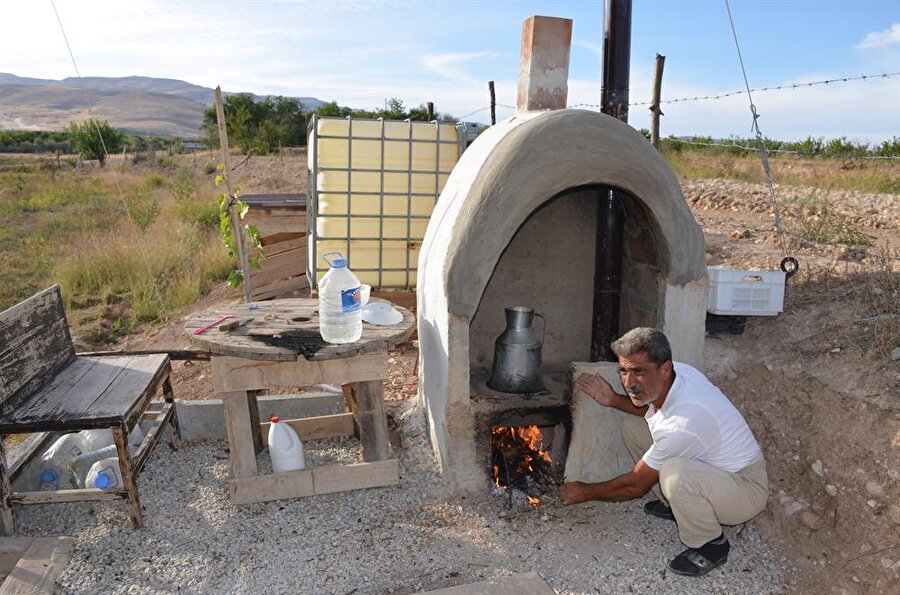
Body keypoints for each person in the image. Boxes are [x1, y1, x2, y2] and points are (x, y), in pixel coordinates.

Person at [558, 327, 768, 577]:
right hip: (714, 473)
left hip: (744, 489)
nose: (628, 383)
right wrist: (613, 399)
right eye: (623, 371)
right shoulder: (679, 375)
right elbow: (656, 415)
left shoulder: (684, 422)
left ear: (665, 368)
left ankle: (711, 545)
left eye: (638, 372)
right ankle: (678, 505)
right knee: (634, 427)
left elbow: (634, 486)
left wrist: (584, 491)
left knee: (675, 474)